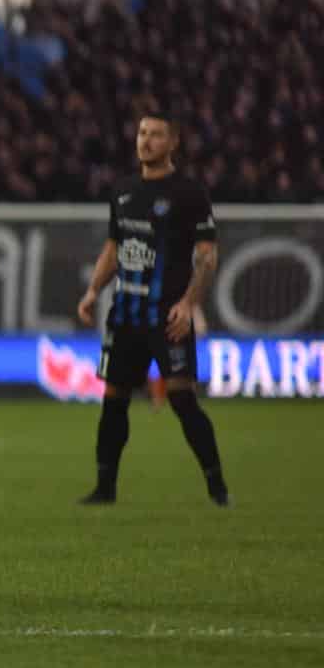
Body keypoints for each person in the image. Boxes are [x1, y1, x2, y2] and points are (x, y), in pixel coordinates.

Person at [77, 115, 229, 506]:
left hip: (167, 317)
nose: (145, 141)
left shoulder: (190, 193)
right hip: (126, 314)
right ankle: (104, 488)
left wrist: (188, 303)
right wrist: (94, 290)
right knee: (113, 399)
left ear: (173, 142)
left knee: (182, 399)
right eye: (142, 133)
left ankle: (217, 485)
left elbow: (208, 257)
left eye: (156, 134)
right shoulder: (124, 190)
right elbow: (114, 248)